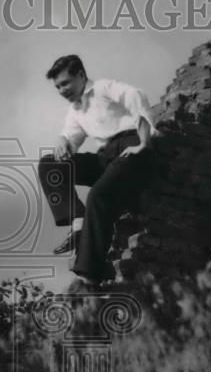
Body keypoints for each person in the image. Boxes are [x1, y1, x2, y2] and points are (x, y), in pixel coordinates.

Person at [37, 54, 158, 287]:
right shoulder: (75, 110)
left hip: (130, 148)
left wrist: (144, 141)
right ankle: (77, 218)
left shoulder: (103, 88)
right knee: (49, 165)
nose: (62, 90)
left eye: (65, 83)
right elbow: (71, 140)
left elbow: (136, 95)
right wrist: (63, 141)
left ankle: (89, 273)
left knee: (97, 196)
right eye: (58, 87)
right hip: (106, 158)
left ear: (81, 75)